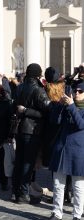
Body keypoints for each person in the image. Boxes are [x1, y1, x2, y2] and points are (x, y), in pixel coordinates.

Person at [12, 63, 50, 203]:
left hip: (20, 129)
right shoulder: (38, 90)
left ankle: (16, 191)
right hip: (32, 131)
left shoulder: (20, 86)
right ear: (38, 75)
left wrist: (23, 110)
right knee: (27, 163)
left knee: (19, 162)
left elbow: (14, 106)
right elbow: (47, 110)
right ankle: (23, 193)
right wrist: (27, 111)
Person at [48, 82, 84, 220]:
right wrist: (60, 106)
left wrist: (71, 106)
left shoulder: (74, 107)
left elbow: (80, 125)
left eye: (80, 91)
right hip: (62, 149)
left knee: (78, 186)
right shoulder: (67, 106)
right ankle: (57, 212)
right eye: (75, 90)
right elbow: (54, 121)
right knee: (58, 184)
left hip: (79, 150)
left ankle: (77, 214)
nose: (76, 93)